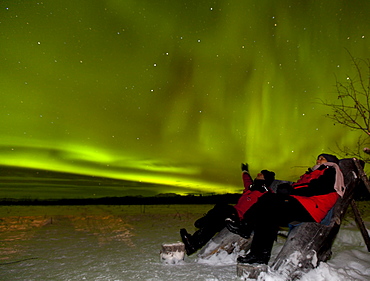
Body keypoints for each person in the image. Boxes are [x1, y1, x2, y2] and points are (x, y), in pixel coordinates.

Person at [235, 153, 344, 265]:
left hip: (313, 208)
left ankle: (246, 226)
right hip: (303, 205)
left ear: (330, 161)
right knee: (267, 213)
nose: (318, 160)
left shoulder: (331, 171)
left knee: (269, 200)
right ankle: (258, 254)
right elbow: (302, 188)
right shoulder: (314, 172)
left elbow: (316, 188)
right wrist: (289, 191)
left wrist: (290, 191)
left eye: (322, 159)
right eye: (318, 158)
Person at [180, 164, 276, 256]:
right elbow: (247, 180)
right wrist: (245, 171)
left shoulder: (266, 193)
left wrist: (247, 224)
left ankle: (203, 223)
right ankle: (193, 244)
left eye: (261, 174)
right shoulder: (251, 188)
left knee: (223, 209)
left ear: (265, 179)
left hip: (240, 219)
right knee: (214, 221)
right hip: (233, 213)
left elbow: (264, 209)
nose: (258, 174)